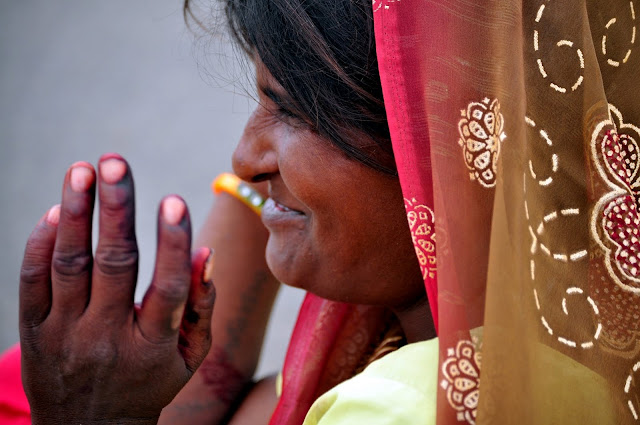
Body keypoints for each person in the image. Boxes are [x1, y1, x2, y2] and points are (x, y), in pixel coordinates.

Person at [4, 0, 639, 424]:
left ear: (445, 144)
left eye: (291, 108)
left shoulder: (402, 405)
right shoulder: (547, 366)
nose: (243, 156)